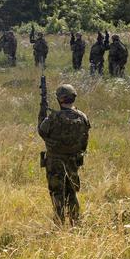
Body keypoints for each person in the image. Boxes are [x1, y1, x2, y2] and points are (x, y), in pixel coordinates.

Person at [37, 84, 91, 224]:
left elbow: (42, 132)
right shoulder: (83, 117)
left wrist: (42, 111)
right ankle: (75, 222)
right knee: (71, 192)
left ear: (59, 99)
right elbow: (85, 140)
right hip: (74, 161)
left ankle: (59, 223)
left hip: (55, 161)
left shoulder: (53, 118)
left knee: (57, 193)